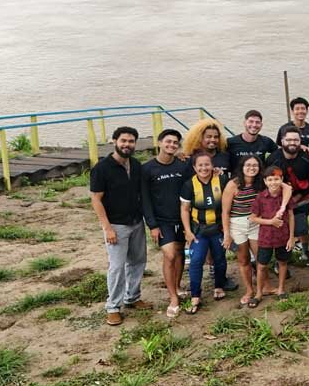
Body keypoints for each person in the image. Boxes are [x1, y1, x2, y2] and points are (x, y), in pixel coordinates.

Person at [91, 126, 148, 326]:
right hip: (116, 225)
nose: (127, 145)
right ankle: (113, 307)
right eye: (123, 141)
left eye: (131, 141)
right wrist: (107, 228)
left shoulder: (136, 164)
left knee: (138, 261)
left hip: (136, 222)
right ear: (114, 141)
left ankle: (132, 297)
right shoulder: (102, 168)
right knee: (116, 267)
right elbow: (96, 199)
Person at [222, 156, 289, 307]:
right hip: (237, 224)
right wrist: (226, 234)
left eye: (255, 165)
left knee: (261, 257)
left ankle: (266, 286)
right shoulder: (233, 184)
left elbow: (287, 188)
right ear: (242, 166)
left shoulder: (263, 182)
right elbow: (225, 212)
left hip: (257, 223)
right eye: (248, 165)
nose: (252, 168)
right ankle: (249, 290)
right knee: (243, 259)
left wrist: (283, 206)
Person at [140, 128, 188, 319]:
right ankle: (173, 297)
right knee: (169, 255)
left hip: (182, 218)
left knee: (180, 253)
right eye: (168, 142)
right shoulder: (147, 169)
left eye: (175, 143)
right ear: (159, 143)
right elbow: (144, 199)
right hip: (162, 221)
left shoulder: (183, 165)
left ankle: (177, 286)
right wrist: (152, 225)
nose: (171, 145)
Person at [180, 151, 229, 314]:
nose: (204, 168)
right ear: (194, 167)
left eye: (207, 164)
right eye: (200, 165)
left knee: (220, 259)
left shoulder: (221, 180)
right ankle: (195, 294)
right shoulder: (189, 185)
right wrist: (187, 231)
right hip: (199, 230)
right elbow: (185, 209)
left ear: (213, 165)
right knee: (196, 261)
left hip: (217, 229)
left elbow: (227, 205)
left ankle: (219, 286)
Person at [265, 127, 309, 263]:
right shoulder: (273, 159)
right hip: (279, 201)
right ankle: (280, 260)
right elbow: (269, 183)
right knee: (280, 228)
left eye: (295, 139)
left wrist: (296, 198)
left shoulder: (307, 158)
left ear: (300, 141)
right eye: (288, 140)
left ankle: (305, 251)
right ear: (282, 141)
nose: (292, 142)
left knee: (301, 226)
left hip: (301, 198)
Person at [250, 166, 296, 305]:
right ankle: (259, 292)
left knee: (282, 262)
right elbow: (253, 218)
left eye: (276, 179)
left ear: (281, 180)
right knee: (262, 265)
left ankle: (281, 289)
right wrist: (270, 222)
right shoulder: (261, 197)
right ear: (265, 181)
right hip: (266, 237)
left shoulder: (285, 196)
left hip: (283, 236)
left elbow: (291, 216)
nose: (273, 183)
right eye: (270, 180)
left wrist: (291, 236)